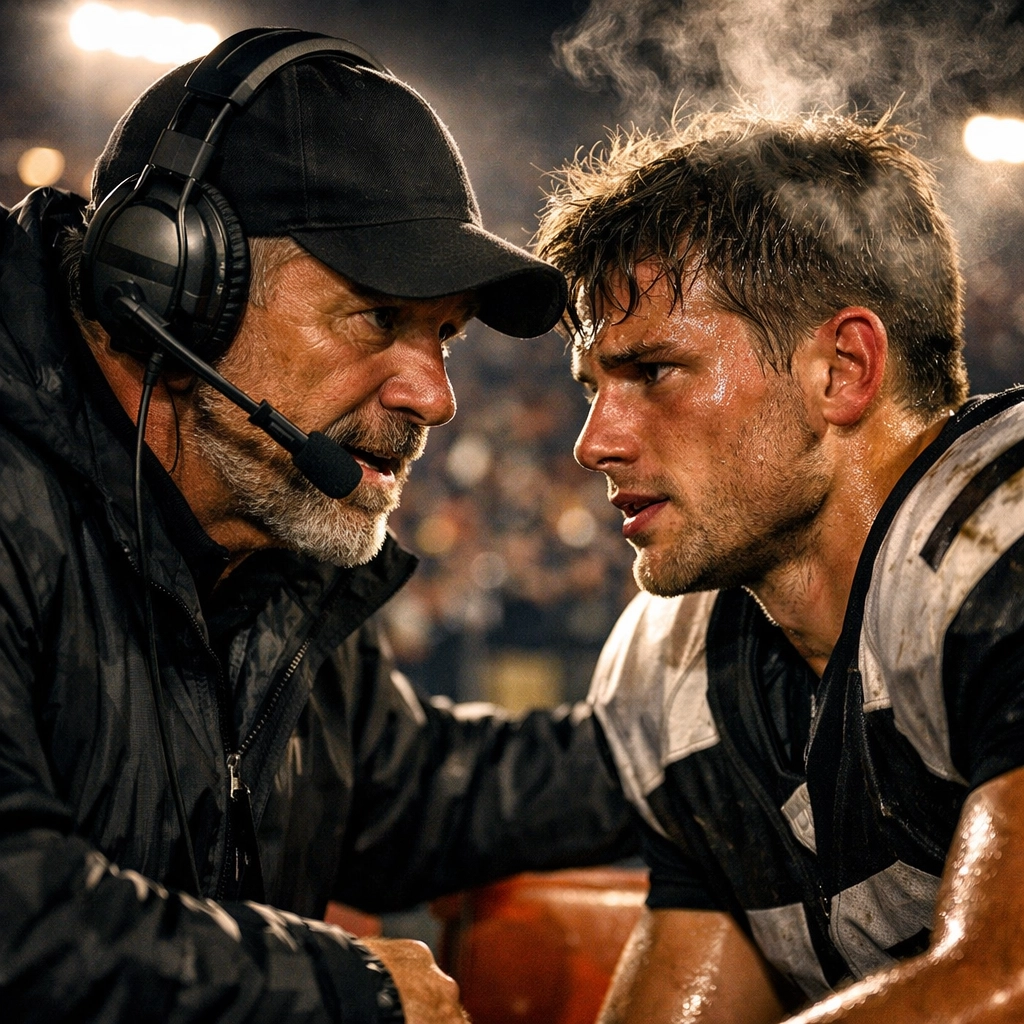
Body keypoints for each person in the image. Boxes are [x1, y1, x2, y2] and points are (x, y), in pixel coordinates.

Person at [0, 29, 634, 1024]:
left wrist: (688, 746)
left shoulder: (273, 546)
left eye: (445, 338)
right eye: (378, 318)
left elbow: (410, 794)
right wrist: (335, 992)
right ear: (169, 286)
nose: (433, 394)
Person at [535, 109, 1024, 1023]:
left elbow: (1006, 986)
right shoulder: (673, 666)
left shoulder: (1001, 538)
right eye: (591, 387)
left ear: (842, 369)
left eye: (654, 372)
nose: (593, 442)